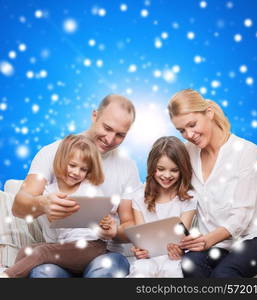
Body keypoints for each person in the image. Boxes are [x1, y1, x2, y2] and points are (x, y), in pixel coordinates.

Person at [12, 94, 143, 278]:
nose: (110, 139)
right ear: (94, 115)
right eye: (107, 128)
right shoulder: (52, 152)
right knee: (43, 272)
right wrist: (42, 204)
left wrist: (114, 231)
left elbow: (129, 223)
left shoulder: (127, 166)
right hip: (59, 254)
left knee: (107, 268)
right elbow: (19, 206)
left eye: (120, 135)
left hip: (103, 252)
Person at [167, 88, 257, 278]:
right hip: (217, 243)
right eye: (182, 130)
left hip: (256, 237)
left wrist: (208, 240)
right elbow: (179, 198)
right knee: (191, 263)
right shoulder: (188, 152)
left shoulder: (246, 151)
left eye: (192, 125)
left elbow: (242, 214)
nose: (189, 134)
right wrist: (175, 239)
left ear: (209, 112)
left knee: (224, 273)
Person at [1, 134, 113, 278]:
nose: (76, 173)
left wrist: (105, 223)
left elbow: (104, 218)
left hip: (92, 246)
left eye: (83, 169)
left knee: (42, 252)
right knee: (26, 250)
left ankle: (7, 276)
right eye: (72, 165)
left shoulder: (90, 188)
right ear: (61, 160)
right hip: (67, 247)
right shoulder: (49, 191)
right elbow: (48, 226)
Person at [128, 136, 197, 278]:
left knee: (173, 271)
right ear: (152, 167)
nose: (167, 175)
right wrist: (139, 250)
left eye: (174, 170)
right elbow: (141, 239)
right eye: (161, 169)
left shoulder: (189, 197)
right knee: (142, 270)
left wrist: (179, 250)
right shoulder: (139, 196)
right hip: (148, 259)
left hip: (173, 259)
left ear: (182, 170)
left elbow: (182, 239)